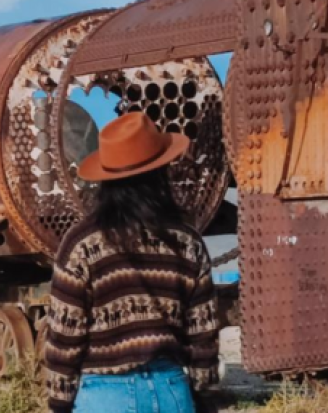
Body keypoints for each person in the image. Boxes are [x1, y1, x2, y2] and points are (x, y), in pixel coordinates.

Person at [44, 112, 220, 413]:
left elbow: (65, 337)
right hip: (171, 392)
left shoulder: (82, 244)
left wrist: (58, 404)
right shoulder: (187, 241)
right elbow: (204, 334)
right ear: (160, 174)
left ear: (106, 181)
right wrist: (202, 395)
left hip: (104, 398)